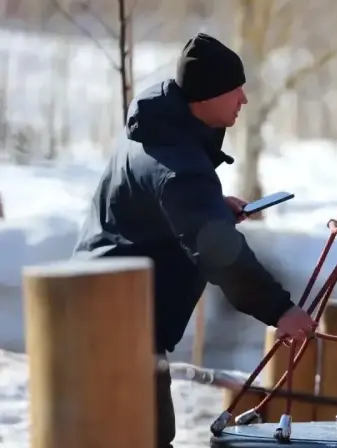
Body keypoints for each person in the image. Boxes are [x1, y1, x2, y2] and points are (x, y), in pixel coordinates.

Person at [72, 33, 316, 448]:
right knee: (145, 438)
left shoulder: (156, 128)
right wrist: (281, 310)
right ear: (206, 95)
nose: (243, 99)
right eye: (235, 90)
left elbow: (155, 200)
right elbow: (221, 255)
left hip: (99, 310)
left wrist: (212, 205)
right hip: (119, 326)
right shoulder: (180, 168)